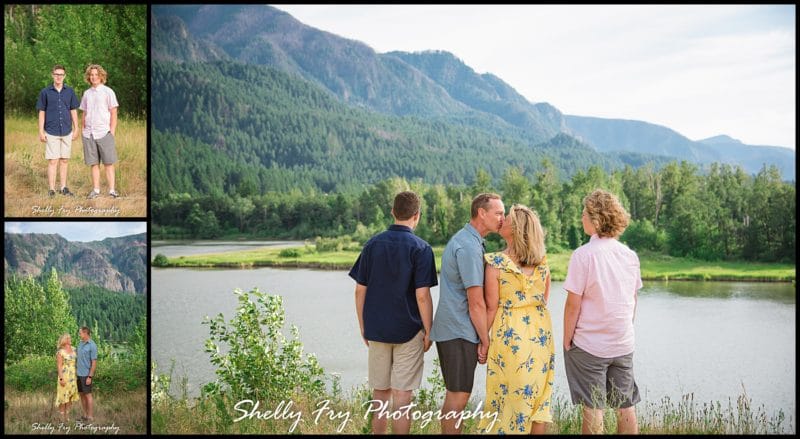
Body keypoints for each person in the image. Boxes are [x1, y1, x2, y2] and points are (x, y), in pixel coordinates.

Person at [349, 191, 438, 434]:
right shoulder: (422, 249)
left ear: (393, 213)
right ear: (417, 216)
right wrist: (429, 330)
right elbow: (422, 295)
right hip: (409, 332)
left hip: (377, 329)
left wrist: (363, 326)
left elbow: (359, 290)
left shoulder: (372, 244)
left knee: (380, 394)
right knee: (402, 395)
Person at [563, 189, 643, 434]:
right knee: (625, 406)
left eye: (585, 212)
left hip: (590, 345)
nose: (581, 217)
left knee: (593, 408)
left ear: (596, 219)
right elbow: (633, 299)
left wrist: (567, 340)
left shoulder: (583, 255)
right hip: (623, 343)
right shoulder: (629, 255)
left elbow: (573, 305)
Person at [430, 192, 505, 434]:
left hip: (455, 330)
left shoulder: (469, 241)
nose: (502, 218)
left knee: (457, 395)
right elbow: (476, 303)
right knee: (458, 397)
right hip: (458, 331)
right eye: (498, 213)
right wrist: (485, 339)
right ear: (482, 213)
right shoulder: (469, 247)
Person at [477, 204, 554, 434]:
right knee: (538, 398)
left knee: (505, 395)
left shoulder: (495, 263)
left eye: (507, 220)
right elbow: (544, 300)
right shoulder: (543, 263)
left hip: (509, 334)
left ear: (516, 229)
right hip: (540, 335)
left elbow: (491, 308)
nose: (503, 222)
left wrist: (483, 341)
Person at [37, 64, 79, 198]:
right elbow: (42, 112)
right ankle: (51, 189)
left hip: (67, 130)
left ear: (64, 76)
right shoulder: (45, 92)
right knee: (53, 161)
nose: (58, 77)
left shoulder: (70, 91)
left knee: (65, 160)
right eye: (56, 74)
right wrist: (41, 131)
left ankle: (63, 187)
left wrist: (76, 128)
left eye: (61, 74)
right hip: (51, 130)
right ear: (52, 75)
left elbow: (73, 110)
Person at [80, 64, 120, 199]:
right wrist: (82, 130)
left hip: (104, 132)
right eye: (91, 75)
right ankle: (96, 190)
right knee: (94, 164)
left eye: (96, 74)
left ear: (101, 76)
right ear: (89, 77)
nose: (94, 77)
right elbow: (84, 113)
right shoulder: (86, 94)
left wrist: (112, 132)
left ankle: (112, 191)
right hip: (89, 134)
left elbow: (114, 113)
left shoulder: (108, 92)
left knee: (108, 163)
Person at [55, 333, 80, 421]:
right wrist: (61, 378)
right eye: (68, 338)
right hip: (64, 376)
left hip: (73, 377)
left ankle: (67, 416)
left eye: (70, 338)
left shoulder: (74, 349)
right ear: (64, 340)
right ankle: (61, 417)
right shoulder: (60, 352)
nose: (70, 339)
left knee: (70, 395)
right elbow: (59, 366)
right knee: (63, 396)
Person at [76, 326, 98, 422]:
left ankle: (90, 416)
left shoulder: (92, 345)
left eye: (80, 333)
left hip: (86, 375)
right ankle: (85, 414)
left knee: (88, 395)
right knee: (81, 394)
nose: (79, 334)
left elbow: (94, 362)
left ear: (85, 333)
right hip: (79, 374)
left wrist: (90, 376)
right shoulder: (80, 343)